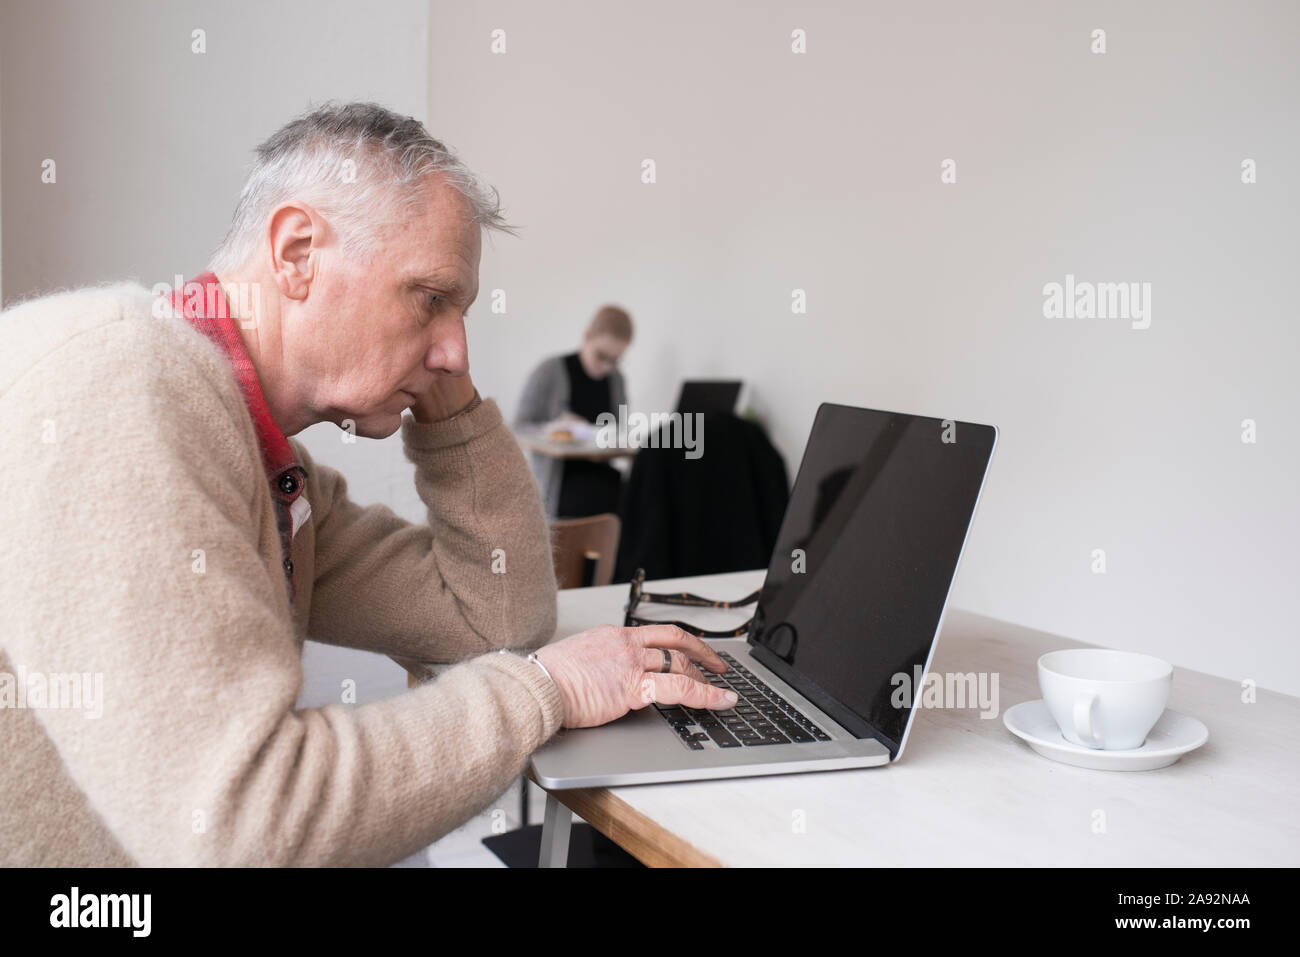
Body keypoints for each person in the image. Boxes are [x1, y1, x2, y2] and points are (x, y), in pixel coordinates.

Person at [0, 102, 735, 867]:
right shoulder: (119, 389)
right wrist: (546, 688)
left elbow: (495, 616)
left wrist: (451, 408)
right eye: (430, 297)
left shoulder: (258, 454)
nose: (458, 349)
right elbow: (240, 825)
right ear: (296, 253)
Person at [515, 307, 632, 518]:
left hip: (601, 475)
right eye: (602, 356)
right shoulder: (550, 371)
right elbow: (519, 428)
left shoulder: (616, 380)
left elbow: (620, 432)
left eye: (615, 360)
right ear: (587, 337)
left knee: (639, 494)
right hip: (559, 484)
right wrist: (556, 427)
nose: (606, 366)